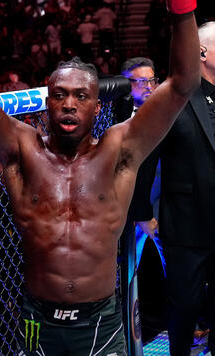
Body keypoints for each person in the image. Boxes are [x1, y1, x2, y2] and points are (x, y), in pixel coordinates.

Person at [0, 0, 199, 354]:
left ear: (97, 105)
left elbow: (183, 83)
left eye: (81, 96)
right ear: (48, 101)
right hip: (36, 320)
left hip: (101, 324)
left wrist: (182, 9)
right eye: (59, 95)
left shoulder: (120, 152)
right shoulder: (21, 150)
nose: (69, 104)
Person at [127, 21, 215, 356]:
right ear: (202, 52)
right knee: (185, 303)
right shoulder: (172, 95)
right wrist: (142, 213)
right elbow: (146, 159)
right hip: (185, 221)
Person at [121, 57, 165, 274]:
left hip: (160, 207)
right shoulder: (114, 120)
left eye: (152, 80)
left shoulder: (167, 115)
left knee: (175, 269)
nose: (149, 87)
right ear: (126, 84)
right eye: (141, 82)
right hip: (124, 210)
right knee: (126, 270)